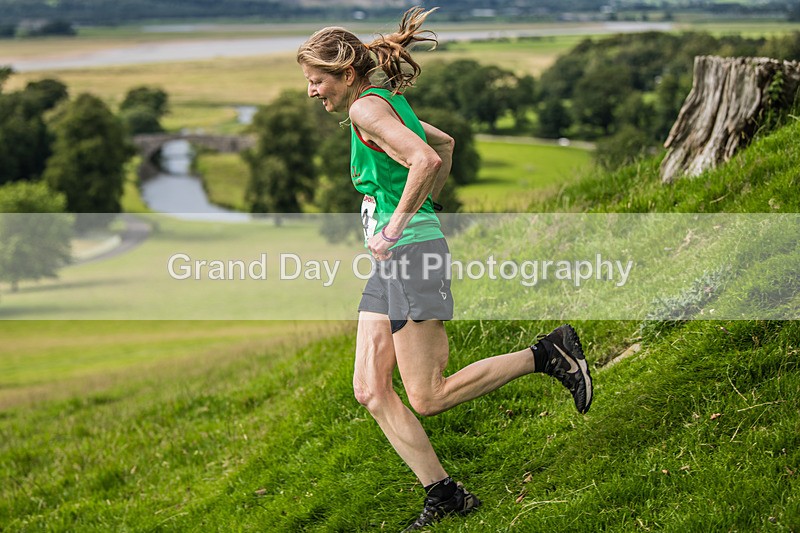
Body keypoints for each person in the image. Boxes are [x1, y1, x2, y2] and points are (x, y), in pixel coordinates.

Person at [297, 7, 593, 531]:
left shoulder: (366, 109)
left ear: (344, 72)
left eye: (316, 80)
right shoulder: (383, 102)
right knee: (369, 388)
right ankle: (445, 495)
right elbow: (444, 143)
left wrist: (397, 228)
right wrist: (423, 211)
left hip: (408, 256)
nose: (311, 91)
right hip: (395, 262)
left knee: (428, 394)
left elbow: (427, 160)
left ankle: (548, 354)